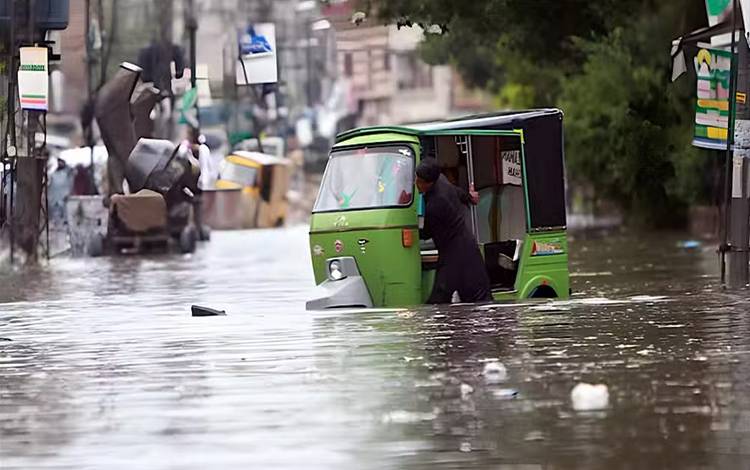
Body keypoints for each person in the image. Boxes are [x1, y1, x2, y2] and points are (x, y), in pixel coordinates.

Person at [416, 158, 492, 304]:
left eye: (420, 181)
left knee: (441, 298)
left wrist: (409, 229)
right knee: (475, 299)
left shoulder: (436, 204)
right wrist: (470, 198)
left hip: (455, 254)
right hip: (465, 248)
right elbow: (457, 192)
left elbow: (426, 233)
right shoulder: (441, 180)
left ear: (429, 183)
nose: (416, 184)